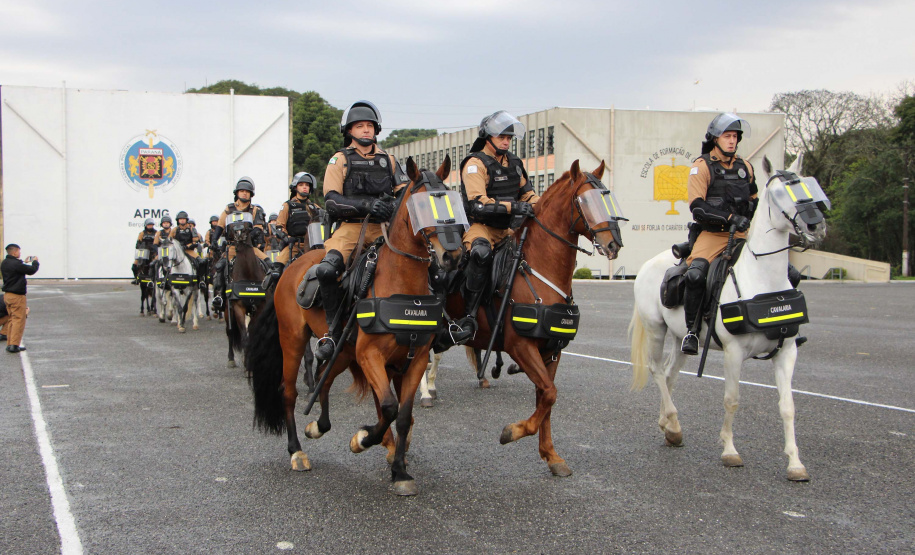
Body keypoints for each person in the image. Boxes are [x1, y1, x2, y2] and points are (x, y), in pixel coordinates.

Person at [313, 100, 408, 360]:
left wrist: (391, 206)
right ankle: (331, 332)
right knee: (327, 269)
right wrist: (367, 205)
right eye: (359, 126)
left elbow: (404, 193)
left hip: (383, 229)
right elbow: (331, 200)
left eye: (369, 126)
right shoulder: (339, 159)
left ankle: (440, 324)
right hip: (351, 229)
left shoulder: (388, 160)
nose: (365, 130)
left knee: (424, 261)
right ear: (349, 131)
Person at [454, 110, 537, 339]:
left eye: (509, 138)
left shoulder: (515, 164)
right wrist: (513, 207)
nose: (506, 141)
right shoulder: (475, 163)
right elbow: (478, 203)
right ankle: (469, 317)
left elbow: (528, 195)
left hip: (508, 229)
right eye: (502, 136)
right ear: (487, 137)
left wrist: (543, 206)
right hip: (481, 227)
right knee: (480, 254)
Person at [680, 113, 756, 355]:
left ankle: (780, 327)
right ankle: (692, 331)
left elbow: (754, 198)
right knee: (694, 275)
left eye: (735, 137)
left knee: (785, 270)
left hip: (743, 235)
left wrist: (749, 213)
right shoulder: (701, 167)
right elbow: (697, 207)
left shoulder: (746, 166)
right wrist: (731, 218)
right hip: (713, 235)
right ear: (715, 139)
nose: (732, 141)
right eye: (727, 136)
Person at [211, 177, 269, 310]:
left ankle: (271, 295)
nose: (244, 193)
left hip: (250, 247)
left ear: (251, 194)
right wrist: (214, 240)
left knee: (269, 264)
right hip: (233, 247)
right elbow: (220, 225)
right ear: (237, 193)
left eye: (247, 192)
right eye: (242, 191)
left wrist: (249, 236)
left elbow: (258, 227)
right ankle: (219, 296)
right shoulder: (229, 209)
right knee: (220, 267)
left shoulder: (255, 210)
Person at [261, 172, 323, 289]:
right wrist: (287, 238)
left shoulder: (316, 208)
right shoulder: (288, 206)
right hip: (293, 246)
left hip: (312, 248)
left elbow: (323, 225)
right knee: (277, 270)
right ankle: (272, 296)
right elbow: (279, 227)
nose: (305, 187)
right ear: (295, 187)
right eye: (301, 185)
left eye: (307, 185)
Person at [1, 244, 39, 353]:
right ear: (14, 252)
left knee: (12, 319)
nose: (20, 253)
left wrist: (23, 262)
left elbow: (18, 267)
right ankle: (14, 345)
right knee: (18, 319)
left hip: (7, 295)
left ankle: (10, 343)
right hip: (17, 295)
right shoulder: (16, 264)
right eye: (18, 251)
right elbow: (31, 270)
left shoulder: (5, 263)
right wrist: (35, 262)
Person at [132, 218, 158, 284]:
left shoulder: (156, 233)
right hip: (144, 252)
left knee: (155, 264)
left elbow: (158, 242)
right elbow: (138, 244)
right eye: (149, 225)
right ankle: (136, 278)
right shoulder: (142, 233)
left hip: (153, 252)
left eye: (151, 225)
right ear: (146, 225)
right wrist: (142, 248)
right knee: (134, 265)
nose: (150, 226)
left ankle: (155, 278)